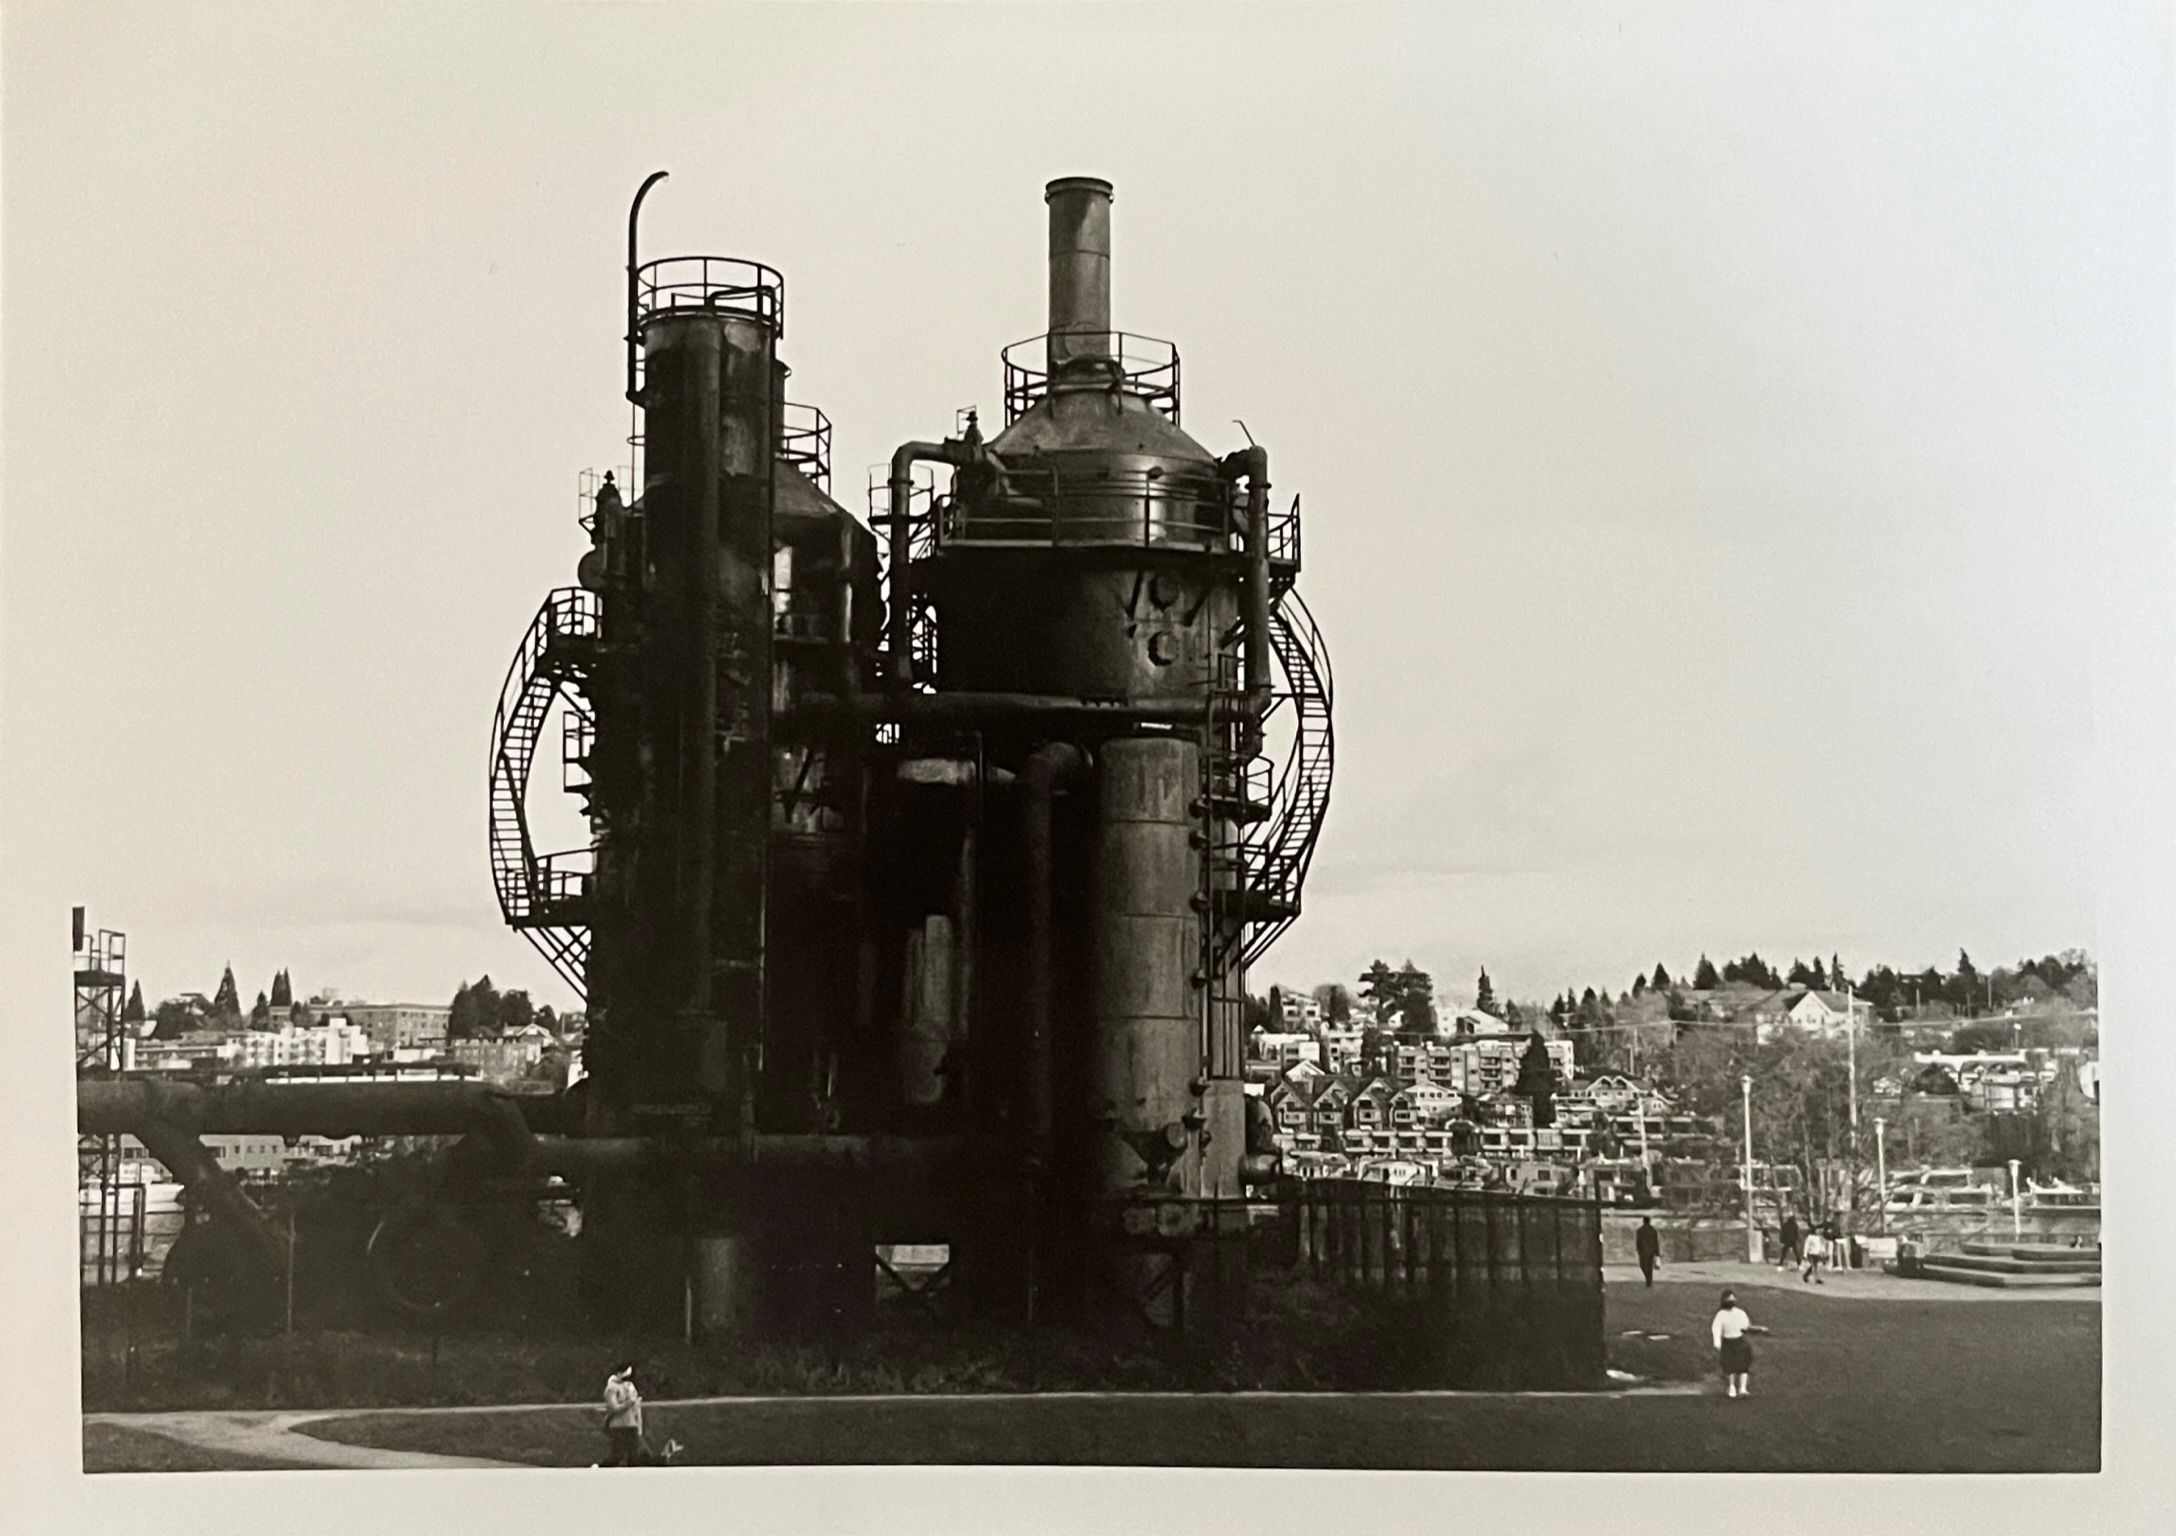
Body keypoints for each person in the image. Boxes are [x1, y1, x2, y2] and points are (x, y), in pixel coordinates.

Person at [1711, 1288, 1756, 1398]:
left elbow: (1716, 1328)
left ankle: (1741, 1388)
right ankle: (1735, 1387)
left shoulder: (1725, 1314)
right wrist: (1717, 1341)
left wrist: (1717, 1342)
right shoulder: (1735, 1313)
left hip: (1733, 1341)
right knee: (1733, 1366)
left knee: (1740, 1366)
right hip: (1735, 1341)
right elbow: (1745, 1326)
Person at [601, 1362, 644, 1466]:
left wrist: (639, 1424)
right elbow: (614, 1407)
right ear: (619, 1374)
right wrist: (629, 1403)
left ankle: (632, 1480)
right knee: (617, 1455)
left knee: (634, 1457)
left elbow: (637, 1408)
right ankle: (600, 1469)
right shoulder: (611, 1388)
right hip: (618, 1426)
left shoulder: (631, 1387)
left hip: (631, 1425)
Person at [1634, 1215, 1661, 1288]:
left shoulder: (1640, 1230)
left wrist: (1638, 1249)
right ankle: (1649, 1280)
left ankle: (1648, 1279)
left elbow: (1638, 1242)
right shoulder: (1653, 1231)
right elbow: (1656, 1242)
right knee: (1649, 1267)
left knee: (1643, 1265)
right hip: (1651, 1251)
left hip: (1643, 1251)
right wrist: (1657, 1252)